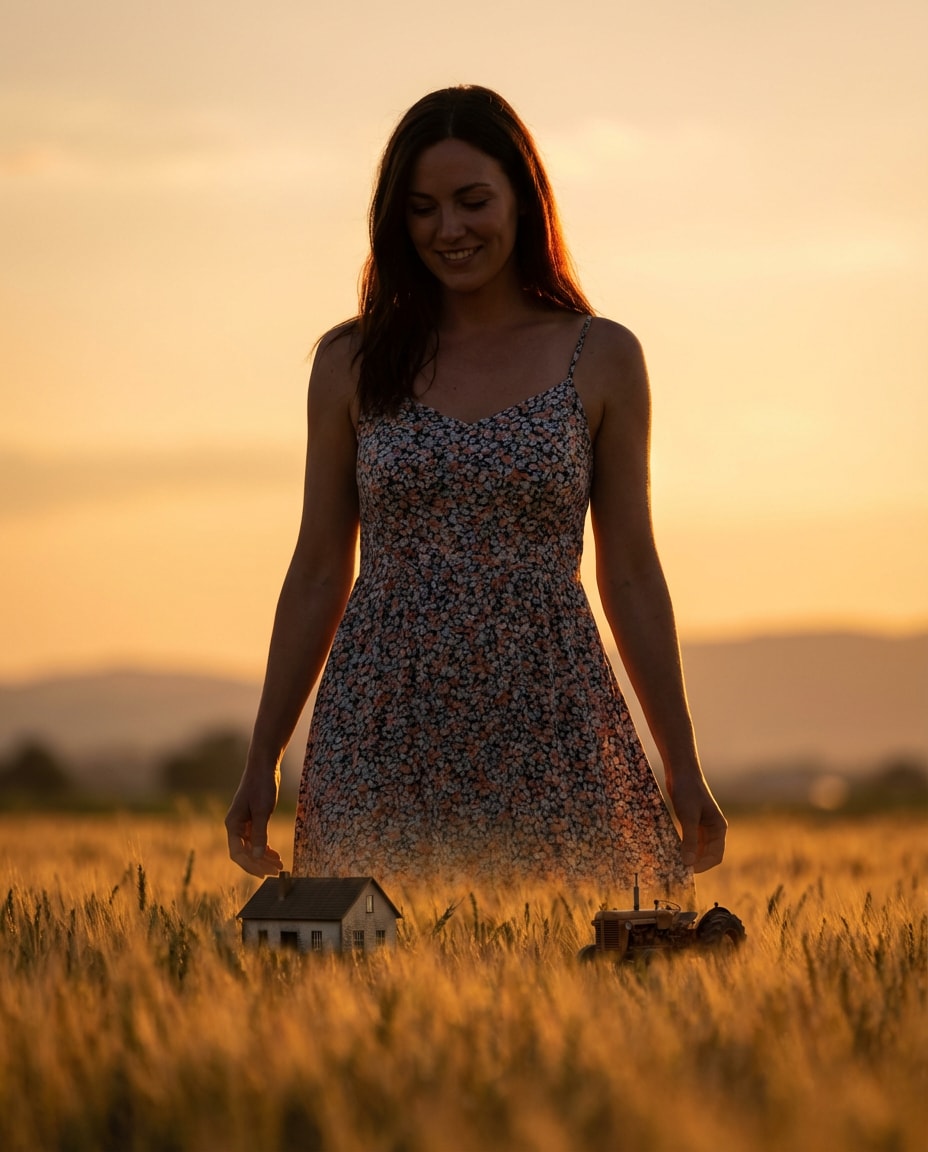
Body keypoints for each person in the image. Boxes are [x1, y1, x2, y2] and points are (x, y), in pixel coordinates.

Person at [225, 85, 727, 899]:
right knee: (366, 984)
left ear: (523, 202)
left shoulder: (602, 356)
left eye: (472, 201)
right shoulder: (350, 363)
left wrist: (683, 763)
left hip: (549, 718)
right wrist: (262, 758)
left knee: (578, 972)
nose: (448, 230)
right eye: (422, 208)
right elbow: (319, 568)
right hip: (380, 721)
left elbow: (630, 572)